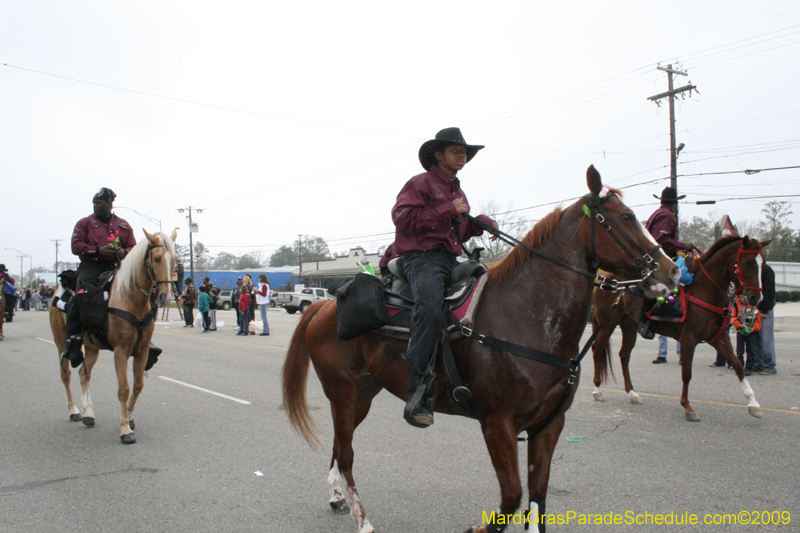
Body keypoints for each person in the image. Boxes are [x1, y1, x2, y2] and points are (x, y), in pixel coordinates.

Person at [390, 127, 497, 428]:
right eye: (455, 150)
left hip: (450, 259)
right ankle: (418, 391)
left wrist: (481, 224)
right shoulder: (420, 183)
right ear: (439, 154)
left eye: (464, 151)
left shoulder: (457, 190)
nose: (461, 154)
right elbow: (402, 218)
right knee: (430, 308)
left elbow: (458, 231)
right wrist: (448, 208)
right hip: (422, 260)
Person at [61, 188, 138, 368]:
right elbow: (76, 246)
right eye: (94, 202)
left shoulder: (124, 225)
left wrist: (123, 251)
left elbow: (133, 247)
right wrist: (97, 250)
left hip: (116, 267)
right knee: (81, 294)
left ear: (110, 203)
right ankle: (74, 340)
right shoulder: (84, 223)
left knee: (138, 293)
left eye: (99, 202)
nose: (95, 205)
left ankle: (143, 337)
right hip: (91, 267)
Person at [642, 186, 694, 362]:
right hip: (661, 258)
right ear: (674, 203)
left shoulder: (656, 214)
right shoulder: (668, 216)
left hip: (650, 257)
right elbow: (661, 239)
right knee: (684, 285)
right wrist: (683, 246)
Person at [732, 293, 763, 375]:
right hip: (741, 331)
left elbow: (758, 321)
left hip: (751, 332)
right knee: (739, 350)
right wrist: (739, 325)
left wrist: (754, 328)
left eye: (745, 298)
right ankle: (739, 367)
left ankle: (749, 368)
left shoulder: (754, 309)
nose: (743, 300)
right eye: (741, 297)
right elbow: (733, 318)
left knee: (751, 350)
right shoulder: (737, 307)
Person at [758, 263, 777, 374]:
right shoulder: (752, 269)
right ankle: (758, 363)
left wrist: (765, 310)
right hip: (754, 308)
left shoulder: (766, 270)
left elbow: (770, 292)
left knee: (766, 338)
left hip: (764, 310)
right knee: (755, 340)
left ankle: (770, 366)